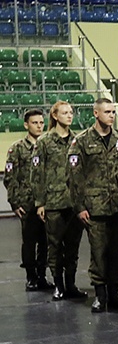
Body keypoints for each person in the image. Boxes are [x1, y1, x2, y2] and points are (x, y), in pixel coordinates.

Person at [67, 98, 118, 313]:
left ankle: (114, 292)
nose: (111, 116)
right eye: (107, 112)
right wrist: (79, 207)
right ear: (96, 113)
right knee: (99, 251)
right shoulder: (82, 141)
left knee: (117, 251)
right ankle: (100, 294)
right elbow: (74, 177)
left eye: (113, 112)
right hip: (94, 207)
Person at [33, 101, 85, 301]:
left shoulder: (77, 141)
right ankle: (58, 285)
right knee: (54, 246)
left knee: (73, 246)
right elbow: (36, 174)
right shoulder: (44, 142)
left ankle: (70, 284)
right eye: (65, 112)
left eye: (71, 112)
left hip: (74, 203)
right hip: (53, 202)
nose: (69, 116)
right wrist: (40, 202)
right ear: (55, 116)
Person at [5, 109, 51, 291]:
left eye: (41, 122)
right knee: (30, 242)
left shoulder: (47, 145)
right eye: (35, 123)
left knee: (46, 241)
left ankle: (42, 276)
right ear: (26, 125)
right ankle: (30, 277)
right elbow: (10, 177)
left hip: (47, 202)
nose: (39, 126)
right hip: (27, 203)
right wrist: (15, 202)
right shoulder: (17, 149)